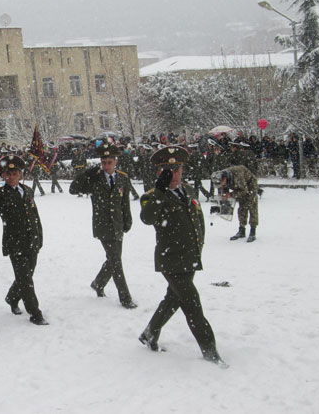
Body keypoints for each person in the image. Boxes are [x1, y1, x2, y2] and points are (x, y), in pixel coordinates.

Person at [139, 145, 227, 368]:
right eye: (167, 170)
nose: (173, 174)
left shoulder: (188, 191)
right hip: (171, 260)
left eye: (177, 169)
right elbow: (147, 218)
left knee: (174, 298)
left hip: (190, 258)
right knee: (192, 305)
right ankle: (210, 351)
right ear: (159, 172)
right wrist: (159, 190)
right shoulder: (152, 196)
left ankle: (150, 332)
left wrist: (199, 248)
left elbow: (197, 222)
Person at [0, 155, 48, 326]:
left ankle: (12, 298)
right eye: (7, 173)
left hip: (31, 241)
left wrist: (39, 236)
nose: (11, 177)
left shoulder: (27, 190)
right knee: (26, 280)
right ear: (3, 175)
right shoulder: (0, 194)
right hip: (15, 243)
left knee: (26, 276)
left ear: (20, 174)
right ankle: (35, 313)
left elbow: (35, 216)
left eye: (15, 173)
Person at [69, 143, 137, 309]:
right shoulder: (95, 178)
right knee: (116, 261)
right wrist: (86, 174)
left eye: (109, 162)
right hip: (103, 226)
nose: (106, 166)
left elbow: (124, 202)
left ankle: (98, 283)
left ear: (115, 162)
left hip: (118, 225)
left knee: (113, 259)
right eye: (104, 162)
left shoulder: (122, 177)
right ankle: (125, 297)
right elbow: (73, 189)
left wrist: (127, 221)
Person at [211, 165, 259, 242]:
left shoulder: (237, 176)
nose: (221, 185)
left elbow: (244, 191)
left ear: (225, 179)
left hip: (250, 185)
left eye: (221, 183)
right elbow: (224, 188)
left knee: (252, 206)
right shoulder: (221, 177)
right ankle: (241, 230)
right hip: (239, 187)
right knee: (242, 208)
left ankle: (253, 231)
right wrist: (224, 196)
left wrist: (231, 195)